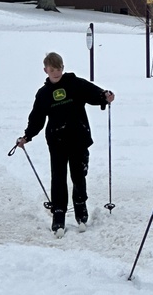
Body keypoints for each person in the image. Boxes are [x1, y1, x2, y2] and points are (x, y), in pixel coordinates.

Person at [17, 51, 115, 236]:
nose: (56, 72)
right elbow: (37, 118)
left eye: (59, 68)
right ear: (45, 70)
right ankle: (59, 213)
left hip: (78, 137)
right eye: (52, 69)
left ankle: (80, 208)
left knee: (79, 175)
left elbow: (93, 93)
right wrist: (27, 136)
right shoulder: (44, 94)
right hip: (57, 140)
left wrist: (105, 96)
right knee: (59, 177)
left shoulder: (74, 83)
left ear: (63, 67)